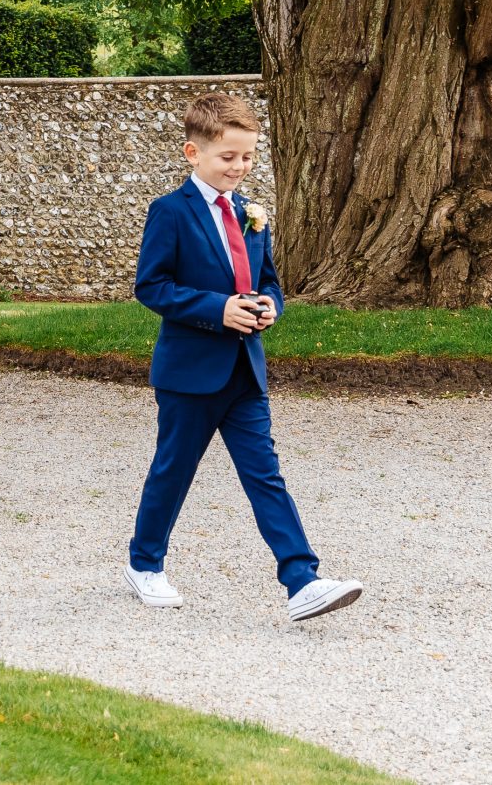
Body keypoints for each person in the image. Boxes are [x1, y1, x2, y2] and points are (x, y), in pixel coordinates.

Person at [125, 91, 364, 622]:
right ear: (193, 153)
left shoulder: (252, 214)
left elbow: (269, 281)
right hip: (190, 373)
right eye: (228, 156)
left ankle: (302, 579)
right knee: (173, 471)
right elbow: (152, 286)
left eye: (248, 156)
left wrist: (270, 306)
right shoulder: (170, 212)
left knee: (265, 474)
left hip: (245, 369)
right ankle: (144, 564)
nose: (239, 166)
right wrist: (219, 309)